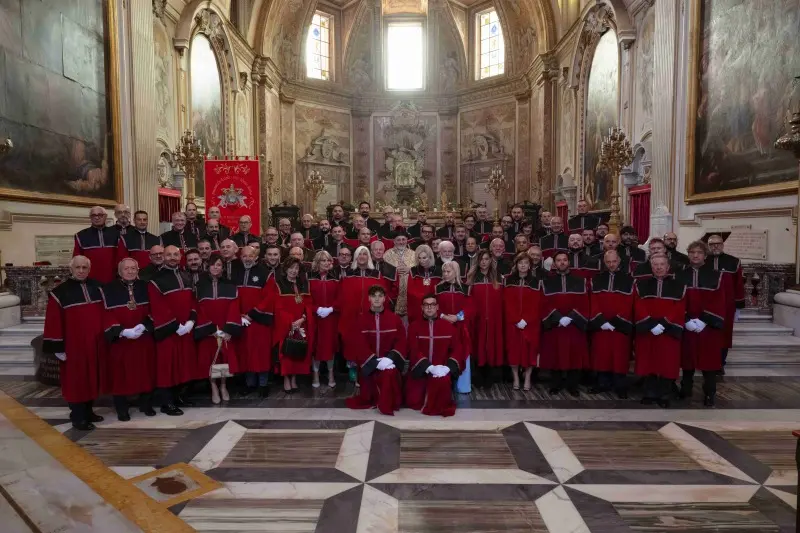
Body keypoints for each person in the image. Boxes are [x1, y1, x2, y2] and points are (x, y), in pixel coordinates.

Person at [43, 256, 105, 430]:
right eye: (77, 267)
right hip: (73, 346)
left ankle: (88, 411)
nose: (81, 270)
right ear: (71, 269)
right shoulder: (60, 292)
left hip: (95, 343)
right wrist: (57, 347)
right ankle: (78, 417)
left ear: (89, 268)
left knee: (91, 378)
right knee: (76, 381)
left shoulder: (98, 287)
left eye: (85, 267)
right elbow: (53, 321)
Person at [101, 258, 156, 421]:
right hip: (122, 340)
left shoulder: (146, 286)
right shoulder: (108, 289)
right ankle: (121, 408)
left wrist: (145, 326)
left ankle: (146, 404)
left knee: (146, 371)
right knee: (120, 375)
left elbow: (155, 309)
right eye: (127, 269)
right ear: (119, 272)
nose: (131, 271)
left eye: (134, 268)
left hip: (143, 338)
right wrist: (123, 331)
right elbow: (105, 314)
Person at [148, 245, 196, 415]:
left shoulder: (186, 275)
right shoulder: (156, 280)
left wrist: (191, 320)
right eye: (169, 255)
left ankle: (178, 397)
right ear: (163, 256)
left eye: (176, 254)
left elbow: (193, 300)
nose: (173, 257)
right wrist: (176, 326)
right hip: (169, 331)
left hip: (185, 330)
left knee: (182, 365)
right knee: (167, 367)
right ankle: (166, 403)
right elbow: (158, 307)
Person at [633, 254, 687, 407]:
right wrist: (650, 323)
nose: (658, 267)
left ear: (668, 267)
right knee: (648, 362)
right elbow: (638, 305)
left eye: (662, 264)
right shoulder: (640, 285)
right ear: (651, 267)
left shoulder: (679, 286)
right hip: (648, 330)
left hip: (667, 331)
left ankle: (664, 395)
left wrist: (663, 324)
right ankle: (649, 393)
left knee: (667, 363)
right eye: (655, 265)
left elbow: (679, 307)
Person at [677, 241, 726, 406]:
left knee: (709, 363)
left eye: (698, 252)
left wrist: (704, 320)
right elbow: (677, 300)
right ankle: (686, 390)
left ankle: (709, 393)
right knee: (687, 361)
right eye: (692, 252)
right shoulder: (680, 275)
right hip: (688, 324)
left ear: (705, 255)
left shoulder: (716, 275)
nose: (695, 255)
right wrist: (685, 320)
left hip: (708, 327)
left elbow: (719, 301)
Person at [345, 285, 407, 415]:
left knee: (388, 376)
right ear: (369, 298)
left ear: (385, 298)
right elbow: (358, 344)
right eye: (374, 296)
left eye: (380, 296)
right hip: (369, 364)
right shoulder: (361, 319)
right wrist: (374, 361)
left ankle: (386, 404)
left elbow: (401, 341)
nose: (377, 299)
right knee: (367, 396)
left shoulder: (394, 319)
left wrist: (390, 358)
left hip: (389, 363)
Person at [193, 255, 242, 404]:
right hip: (209, 329)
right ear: (208, 267)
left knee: (224, 359)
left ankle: (223, 386)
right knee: (210, 360)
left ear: (223, 267)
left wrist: (227, 329)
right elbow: (198, 309)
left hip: (225, 327)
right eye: (213, 265)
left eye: (219, 265)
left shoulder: (230, 285)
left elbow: (234, 308)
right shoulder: (199, 286)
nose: (216, 267)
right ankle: (213, 387)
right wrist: (210, 329)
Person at [406, 294, 465, 416]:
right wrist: (429, 367)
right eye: (426, 305)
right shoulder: (414, 327)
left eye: (432, 305)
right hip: (421, 370)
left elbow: (458, 349)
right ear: (422, 307)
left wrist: (447, 368)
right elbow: (413, 349)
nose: (429, 308)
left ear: (437, 307)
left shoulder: (449, 327)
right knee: (414, 400)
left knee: (441, 399)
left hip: (441, 372)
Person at [540, 251, 589, 395]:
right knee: (555, 355)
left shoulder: (580, 281)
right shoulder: (546, 282)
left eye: (565, 260)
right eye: (559, 260)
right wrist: (558, 318)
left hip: (574, 326)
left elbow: (585, 303)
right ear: (554, 264)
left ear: (569, 262)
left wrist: (572, 317)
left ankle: (572, 385)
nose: (562, 263)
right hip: (556, 325)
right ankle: (555, 384)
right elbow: (543, 304)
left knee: (574, 356)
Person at [588, 250, 634, 398]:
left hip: (619, 325)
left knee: (619, 356)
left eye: (614, 261)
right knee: (601, 355)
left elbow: (629, 303)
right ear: (604, 262)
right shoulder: (596, 279)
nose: (611, 264)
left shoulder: (629, 280)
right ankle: (602, 384)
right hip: (601, 325)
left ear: (619, 261)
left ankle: (620, 386)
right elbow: (593, 301)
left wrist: (616, 321)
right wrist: (600, 320)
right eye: (608, 262)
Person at [230, 245, 274, 396]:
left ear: (256, 257)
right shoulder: (234, 273)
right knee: (245, 352)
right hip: (241, 320)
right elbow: (232, 296)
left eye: (251, 256)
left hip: (258, 321)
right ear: (240, 257)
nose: (247, 258)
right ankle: (249, 384)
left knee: (261, 353)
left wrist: (251, 314)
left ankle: (263, 385)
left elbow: (269, 298)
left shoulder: (265, 274)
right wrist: (239, 315)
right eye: (244, 256)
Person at [269, 258, 315, 393]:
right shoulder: (278, 284)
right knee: (287, 353)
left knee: (297, 352)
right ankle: (286, 379)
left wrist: (302, 319)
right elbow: (278, 308)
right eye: (291, 268)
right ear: (285, 269)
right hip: (285, 325)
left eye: (296, 268)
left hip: (301, 324)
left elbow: (309, 304)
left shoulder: (304, 284)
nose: (294, 271)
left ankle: (294, 378)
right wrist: (290, 323)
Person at [503, 253, 542, 391]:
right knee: (513, 351)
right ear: (516, 265)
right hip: (513, 323)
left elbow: (537, 304)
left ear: (530, 265)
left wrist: (527, 319)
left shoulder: (537, 282)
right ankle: (515, 377)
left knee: (530, 351)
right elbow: (507, 303)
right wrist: (516, 319)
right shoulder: (508, 281)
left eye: (526, 263)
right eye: (520, 263)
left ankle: (527, 378)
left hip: (530, 324)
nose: (523, 265)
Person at [707, 234, 745, 370]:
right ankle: (707, 362)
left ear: (723, 245)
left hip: (727, 306)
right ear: (708, 246)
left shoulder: (733, 261)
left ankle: (721, 363)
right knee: (708, 334)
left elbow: (738, 285)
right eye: (712, 244)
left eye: (718, 243)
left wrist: (738, 306)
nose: (715, 246)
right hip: (707, 306)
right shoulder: (702, 261)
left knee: (724, 335)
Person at [467, 250, 505, 387]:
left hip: (494, 319)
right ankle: (478, 376)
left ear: (491, 260)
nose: (484, 262)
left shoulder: (498, 277)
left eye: (486, 259)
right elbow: (468, 299)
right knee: (478, 345)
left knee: (491, 346)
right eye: (481, 259)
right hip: (478, 319)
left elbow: (502, 299)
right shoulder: (472, 277)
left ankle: (490, 376)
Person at [435, 262, 473, 393]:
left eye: (448, 272)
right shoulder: (437, 288)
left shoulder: (465, 288)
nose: (445, 274)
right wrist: (444, 316)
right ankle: (444, 384)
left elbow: (471, 307)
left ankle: (463, 386)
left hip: (460, 327)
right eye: (444, 272)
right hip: (443, 327)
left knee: (463, 353)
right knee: (444, 354)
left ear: (456, 272)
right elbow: (433, 306)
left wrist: (457, 317)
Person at [309, 250, 340, 388]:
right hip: (314, 317)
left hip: (331, 318)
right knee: (316, 346)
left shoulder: (336, 277)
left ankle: (331, 373)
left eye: (328, 260)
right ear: (317, 262)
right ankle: (315, 373)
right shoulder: (309, 277)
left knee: (329, 346)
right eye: (323, 260)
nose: (327, 263)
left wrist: (332, 308)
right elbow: (306, 298)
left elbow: (341, 297)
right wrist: (317, 309)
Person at [74, 206, 119, 283]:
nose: (97, 218)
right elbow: (77, 259)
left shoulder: (116, 234)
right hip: (90, 279)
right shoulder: (81, 235)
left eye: (100, 215)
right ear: (90, 217)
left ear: (105, 216)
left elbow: (121, 257)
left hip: (113, 278)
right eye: (93, 215)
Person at [383, 231, 416, 317]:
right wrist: (395, 270)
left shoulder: (414, 254)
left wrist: (410, 269)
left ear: (407, 240)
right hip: (394, 290)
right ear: (394, 241)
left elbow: (418, 270)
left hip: (410, 289)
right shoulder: (387, 254)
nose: (401, 242)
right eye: (398, 240)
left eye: (403, 239)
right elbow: (384, 271)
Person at [407, 245, 442, 324]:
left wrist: (432, 301)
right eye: (419, 258)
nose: (422, 261)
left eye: (424, 258)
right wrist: (424, 300)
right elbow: (410, 290)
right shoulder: (413, 271)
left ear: (430, 257)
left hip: (435, 304)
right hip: (418, 306)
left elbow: (440, 289)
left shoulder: (439, 271)